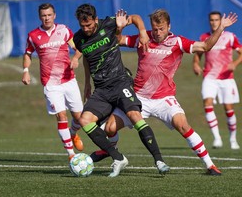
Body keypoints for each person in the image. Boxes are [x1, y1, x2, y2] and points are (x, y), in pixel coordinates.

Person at [90, 9, 238, 176]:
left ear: (169, 26)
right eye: (155, 29)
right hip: (138, 98)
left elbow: (205, 46)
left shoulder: (178, 42)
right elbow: (116, 40)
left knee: (183, 125)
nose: (158, 33)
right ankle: (112, 149)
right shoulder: (143, 38)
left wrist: (221, 28)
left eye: (161, 28)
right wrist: (120, 27)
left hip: (164, 99)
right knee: (109, 128)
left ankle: (210, 165)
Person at [72, 3, 169, 177]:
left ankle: (159, 160)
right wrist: (87, 83)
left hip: (120, 83)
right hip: (101, 90)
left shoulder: (109, 23)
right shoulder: (78, 38)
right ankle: (118, 157)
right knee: (84, 120)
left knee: (135, 116)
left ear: (95, 19)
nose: (86, 29)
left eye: (89, 25)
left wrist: (141, 33)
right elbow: (87, 58)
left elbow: (137, 17)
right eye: (82, 26)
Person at [21, 3, 84, 161]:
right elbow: (28, 53)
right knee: (61, 116)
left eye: (49, 15)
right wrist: (26, 71)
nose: (46, 18)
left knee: (79, 118)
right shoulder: (33, 35)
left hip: (69, 80)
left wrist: (75, 59)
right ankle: (71, 154)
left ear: (54, 15)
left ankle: (73, 133)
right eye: (43, 15)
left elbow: (78, 48)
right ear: (39, 17)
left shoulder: (64, 30)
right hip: (50, 84)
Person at [193, 11, 242, 150]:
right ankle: (217, 138)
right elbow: (198, 55)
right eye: (212, 20)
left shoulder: (230, 37)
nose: (214, 22)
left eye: (216, 20)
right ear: (209, 21)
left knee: (229, 109)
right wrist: (195, 64)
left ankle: (233, 140)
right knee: (207, 103)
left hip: (227, 79)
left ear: (221, 21)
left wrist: (235, 64)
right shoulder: (204, 37)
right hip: (209, 77)